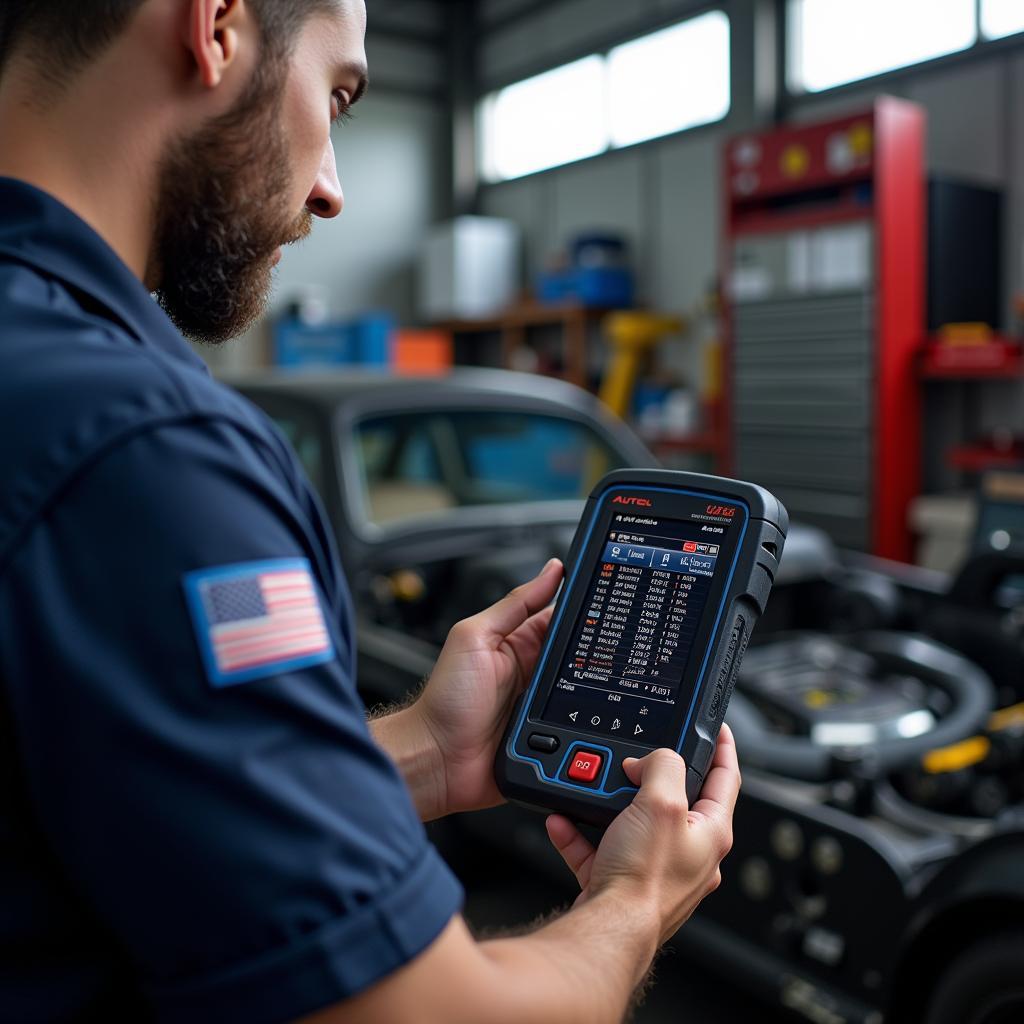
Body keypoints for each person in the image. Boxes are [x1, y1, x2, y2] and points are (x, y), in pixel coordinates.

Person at [0, 1, 740, 1021]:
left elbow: (102, 809)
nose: (331, 190)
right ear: (215, 25)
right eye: (337, 95)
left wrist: (433, 750)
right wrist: (636, 897)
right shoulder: (146, 454)